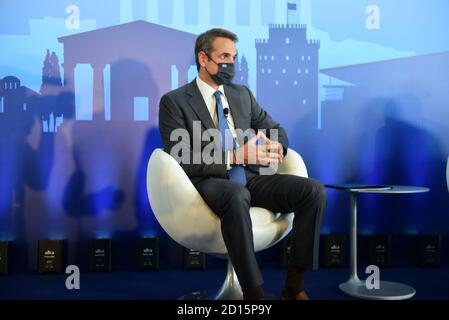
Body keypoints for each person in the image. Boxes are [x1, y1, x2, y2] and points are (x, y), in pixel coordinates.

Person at [158, 28, 326, 300]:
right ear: (203, 58)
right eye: (224, 56)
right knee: (237, 194)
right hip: (207, 182)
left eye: (234, 57)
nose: (231, 64)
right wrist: (234, 157)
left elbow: (275, 128)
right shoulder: (174, 102)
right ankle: (254, 294)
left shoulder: (241, 94)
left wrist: (277, 146)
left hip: (249, 178)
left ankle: (294, 286)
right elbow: (180, 156)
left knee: (313, 191)